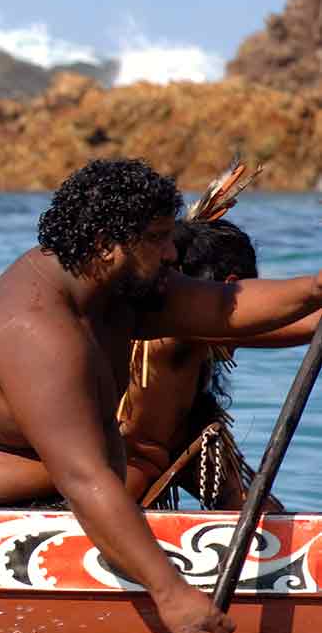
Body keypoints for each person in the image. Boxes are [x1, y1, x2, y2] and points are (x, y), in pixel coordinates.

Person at [0, 158, 322, 633]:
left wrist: (315, 287)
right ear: (108, 244)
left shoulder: (109, 285)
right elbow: (86, 481)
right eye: (158, 238)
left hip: (77, 486)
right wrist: (172, 594)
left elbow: (225, 308)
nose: (173, 252)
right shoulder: (41, 333)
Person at [122, 217, 310, 510]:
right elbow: (294, 323)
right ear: (233, 288)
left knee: (261, 509)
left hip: (163, 460)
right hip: (115, 486)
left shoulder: (187, 341)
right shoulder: (173, 334)